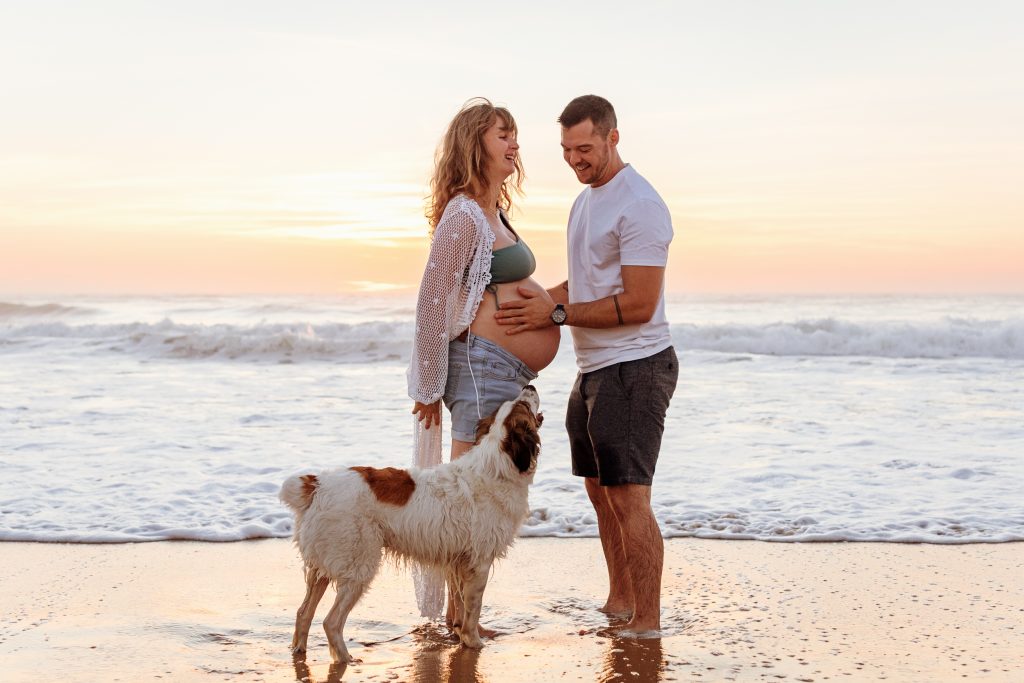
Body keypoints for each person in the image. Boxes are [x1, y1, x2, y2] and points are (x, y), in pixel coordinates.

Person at [494, 95, 677, 635]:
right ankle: (619, 602)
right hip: (593, 368)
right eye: (567, 150)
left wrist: (556, 310)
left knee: (629, 497)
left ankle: (647, 622)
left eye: (586, 148)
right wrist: (531, 307)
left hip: (636, 366)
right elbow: (584, 286)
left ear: (613, 137)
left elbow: (640, 303)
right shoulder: (586, 202)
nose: (576, 160)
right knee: (599, 494)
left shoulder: (640, 204)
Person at [408, 98, 560, 631]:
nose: (514, 144)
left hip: (506, 373)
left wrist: (555, 309)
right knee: (467, 504)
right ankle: (458, 621)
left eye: (515, 135)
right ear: (476, 145)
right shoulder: (464, 212)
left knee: (490, 501)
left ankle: (463, 617)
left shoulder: (495, 211)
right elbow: (433, 301)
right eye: (503, 135)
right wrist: (427, 386)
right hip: (478, 369)